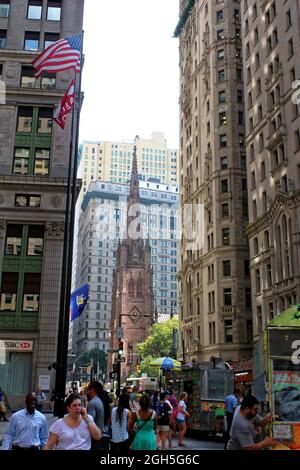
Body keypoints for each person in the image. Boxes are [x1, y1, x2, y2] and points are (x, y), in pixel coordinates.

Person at [85, 381, 106, 450]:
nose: (86, 391)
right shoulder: (98, 400)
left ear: (93, 390)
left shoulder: (92, 403)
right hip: (99, 436)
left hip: (94, 439)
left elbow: (89, 421)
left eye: (87, 389)